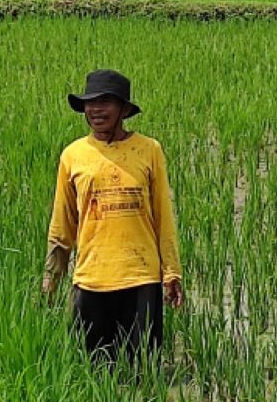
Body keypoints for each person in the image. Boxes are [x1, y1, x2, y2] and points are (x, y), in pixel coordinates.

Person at [42, 69, 183, 364]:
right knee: (94, 372)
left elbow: (163, 217)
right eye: (90, 103)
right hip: (91, 280)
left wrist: (171, 272)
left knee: (143, 370)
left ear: (124, 109)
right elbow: (62, 224)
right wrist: (51, 280)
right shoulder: (73, 155)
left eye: (105, 101)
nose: (95, 109)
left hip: (140, 280)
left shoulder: (149, 150)